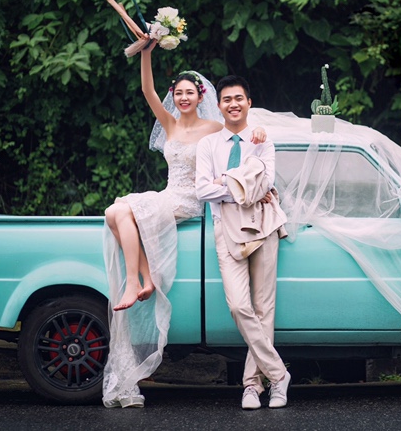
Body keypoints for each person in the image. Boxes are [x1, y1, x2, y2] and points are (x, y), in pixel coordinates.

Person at [102, 38, 265, 409]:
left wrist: (259, 134)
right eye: (178, 93)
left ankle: (138, 281)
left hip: (191, 201)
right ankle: (142, 280)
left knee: (119, 211)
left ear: (201, 95)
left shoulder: (213, 127)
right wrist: (146, 52)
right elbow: (147, 90)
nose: (183, 97)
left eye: (190, 92)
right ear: (173, 97)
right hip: (168, 195)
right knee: (114, 212)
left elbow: (242, 129)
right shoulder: (170, 124)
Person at [195, 75, 291, 410]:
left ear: (249, 103)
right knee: (238, 305)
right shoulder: (208, 145)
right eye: (227, 99)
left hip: (264, 227)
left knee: (264, 308)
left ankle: (253, 385)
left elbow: (267, 182)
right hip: (226, 228)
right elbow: (201, 189)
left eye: (239, 98)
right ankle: (279, 374)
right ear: (219, 105)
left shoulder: (262, 140)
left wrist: (224, 182)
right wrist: (242, 189)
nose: (233, 104)